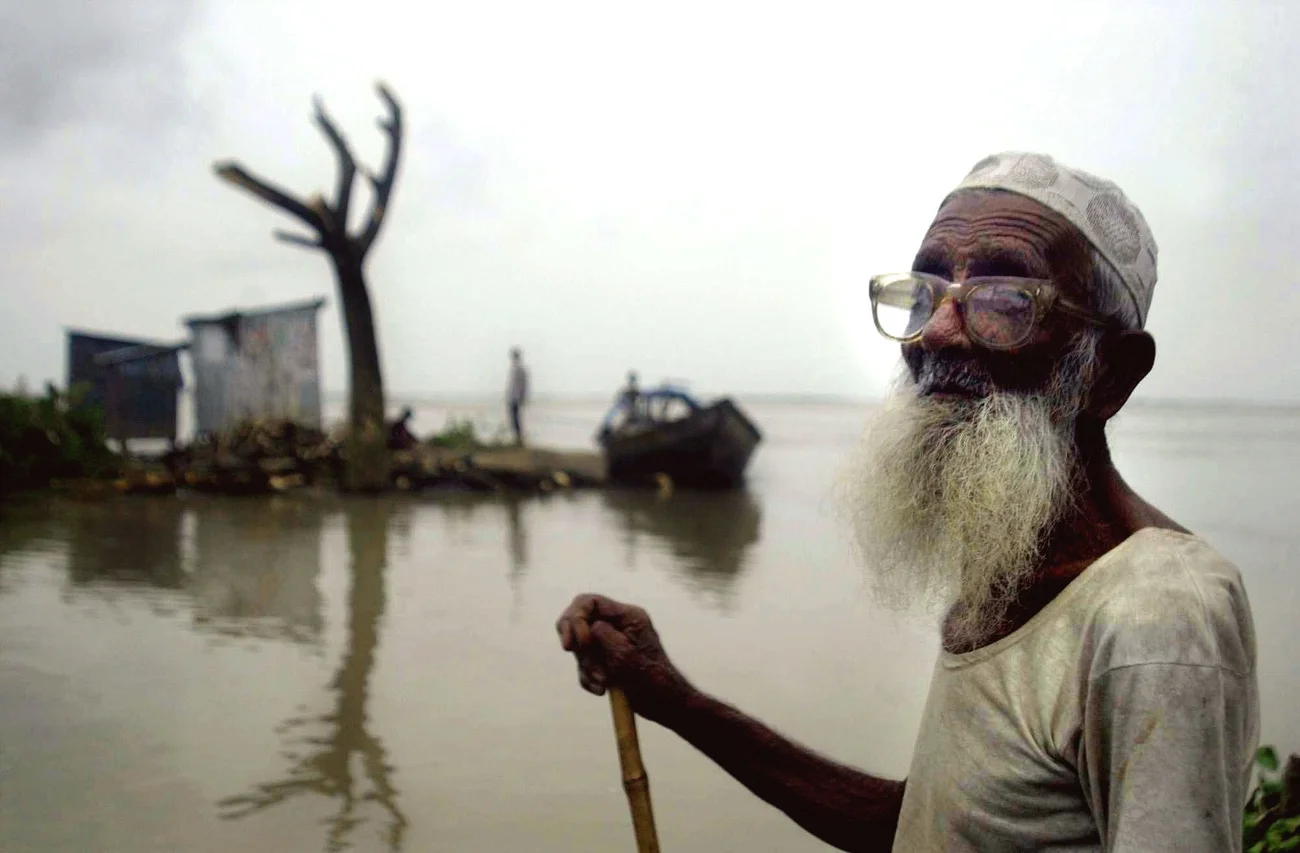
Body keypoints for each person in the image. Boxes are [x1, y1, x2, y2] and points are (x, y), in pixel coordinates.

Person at [555, 152, 1259, 852]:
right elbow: (927, 826)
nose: (937, 330)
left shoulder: (1159, 619)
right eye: (924, 293)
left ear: (1111, 374)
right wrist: (677, 699)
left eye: (1005, 299)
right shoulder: (1004, 576)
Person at [506, 347, 528, 446]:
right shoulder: (514, 368)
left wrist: (522, 397)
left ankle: (518, 437)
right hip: (512, 397)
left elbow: (523, 385)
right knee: (513, 418)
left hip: (516, 397)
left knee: (516, 418)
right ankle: (516, 437)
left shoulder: (520, 369)